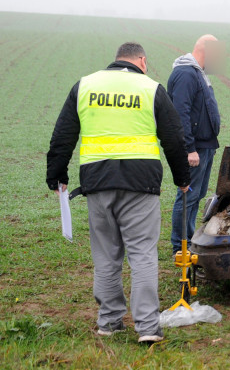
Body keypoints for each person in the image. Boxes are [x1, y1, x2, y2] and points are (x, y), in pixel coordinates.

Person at [46, 42, 191, 343]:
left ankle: (109, 322)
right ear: (141, 60)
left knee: (106, 256)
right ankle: (148, 327)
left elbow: (63, 135)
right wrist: (182, 178)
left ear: (116, 60)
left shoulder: (85, 86)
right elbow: (174, 139)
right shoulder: (151, 89)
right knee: (142, 254)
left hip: (97, 182)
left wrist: (57, 174)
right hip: (141, 184)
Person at [168, 34, 223, 254]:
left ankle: (189, 241)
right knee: (187, 196)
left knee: (196, 195)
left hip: (205, 146)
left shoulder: (198, 73)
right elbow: (180, 113)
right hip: (195, 148)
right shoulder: (185, 74)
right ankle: (179, 246)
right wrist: (189, 148)